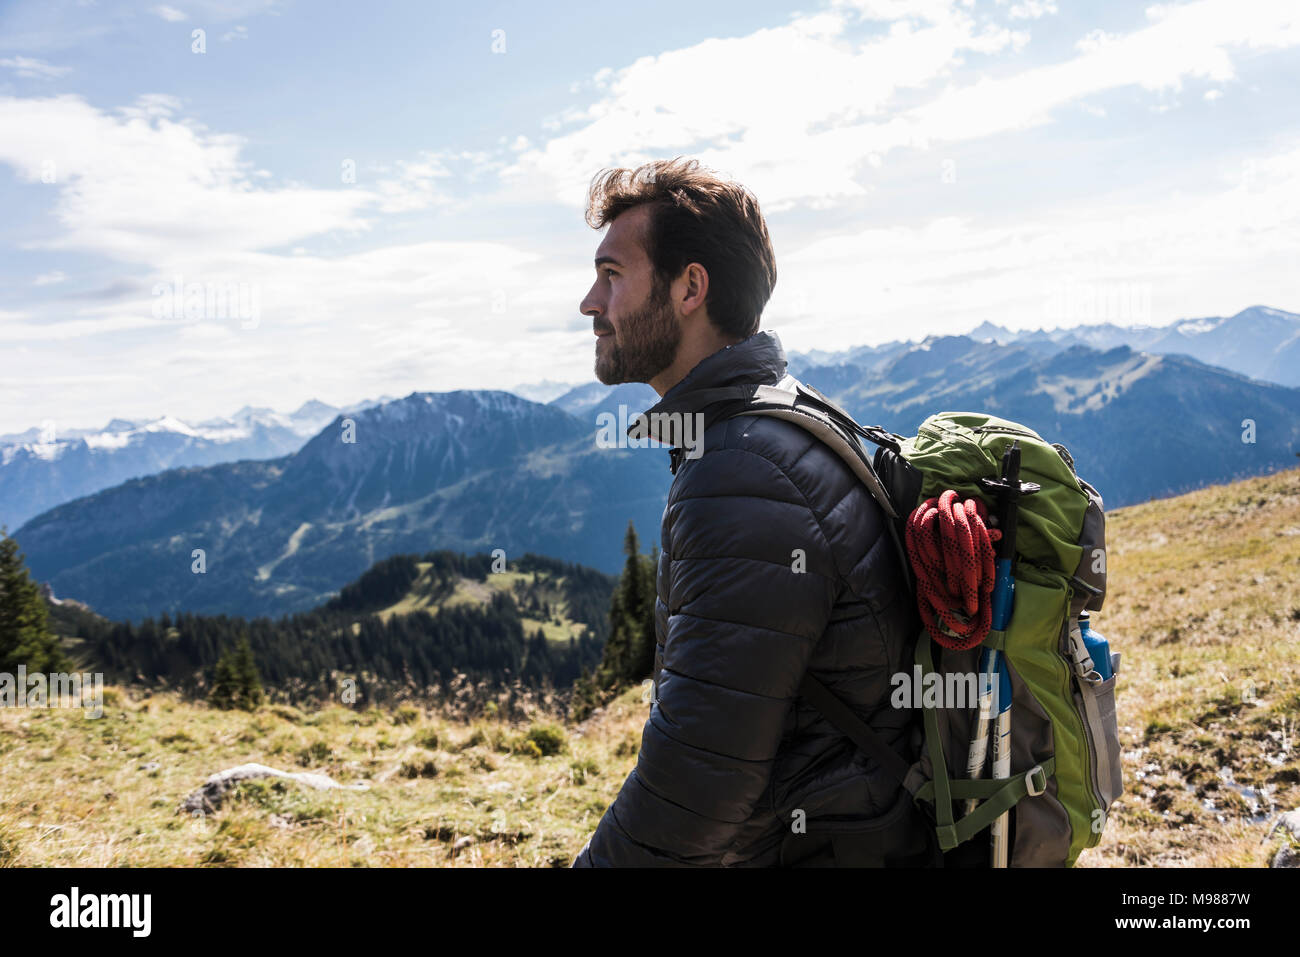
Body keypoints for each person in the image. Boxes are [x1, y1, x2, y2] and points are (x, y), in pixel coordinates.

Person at [570, 157, 935, 867]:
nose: (590, 302)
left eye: (612, 274)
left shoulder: (743, 474)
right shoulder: (779, 422)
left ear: (690, 288)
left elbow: (693, 790)